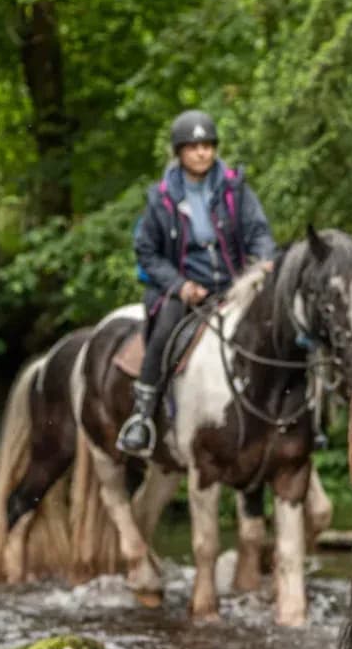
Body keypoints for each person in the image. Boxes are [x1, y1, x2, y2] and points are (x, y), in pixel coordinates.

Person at [116, 110, 278, 457]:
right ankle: (142, 415)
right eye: (193, 147)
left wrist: (264, 260)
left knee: (279, 324)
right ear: (179, 152)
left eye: (207, 146)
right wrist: (180, 286)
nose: (202, 153)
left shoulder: (234, 188)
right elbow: (147, 252)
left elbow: (258, 231)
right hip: (184, 290)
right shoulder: (161, 198)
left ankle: (296, 413)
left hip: (233, 286)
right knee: (164, 331)